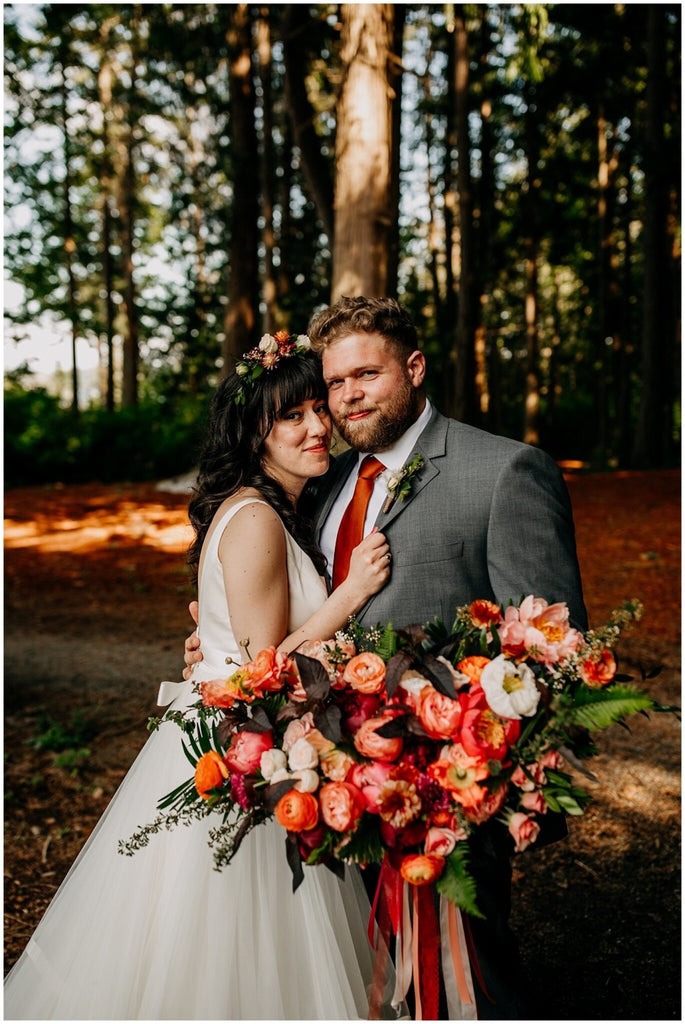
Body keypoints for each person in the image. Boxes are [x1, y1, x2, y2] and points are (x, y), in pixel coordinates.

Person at [185, 296, 588, 1020]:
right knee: (357, 977)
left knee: (466, 981)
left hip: (443, 783)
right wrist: (217, 645)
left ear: (414, 367)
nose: (347, 398)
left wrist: (497, 777)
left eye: (366, 375)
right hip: (328, 778)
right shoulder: (321, 483)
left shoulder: (502, 470)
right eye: (334, 383)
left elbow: (552, 644)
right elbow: (274, 612)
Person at [4, 338, 399, 1020]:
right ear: (253, 435)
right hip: (235, 743)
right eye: (291, 417)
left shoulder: (273, 509)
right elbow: (261, 671)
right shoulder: (256, 518)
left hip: (243, 735)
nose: (317, 427)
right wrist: (351, 593)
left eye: (318, 408)